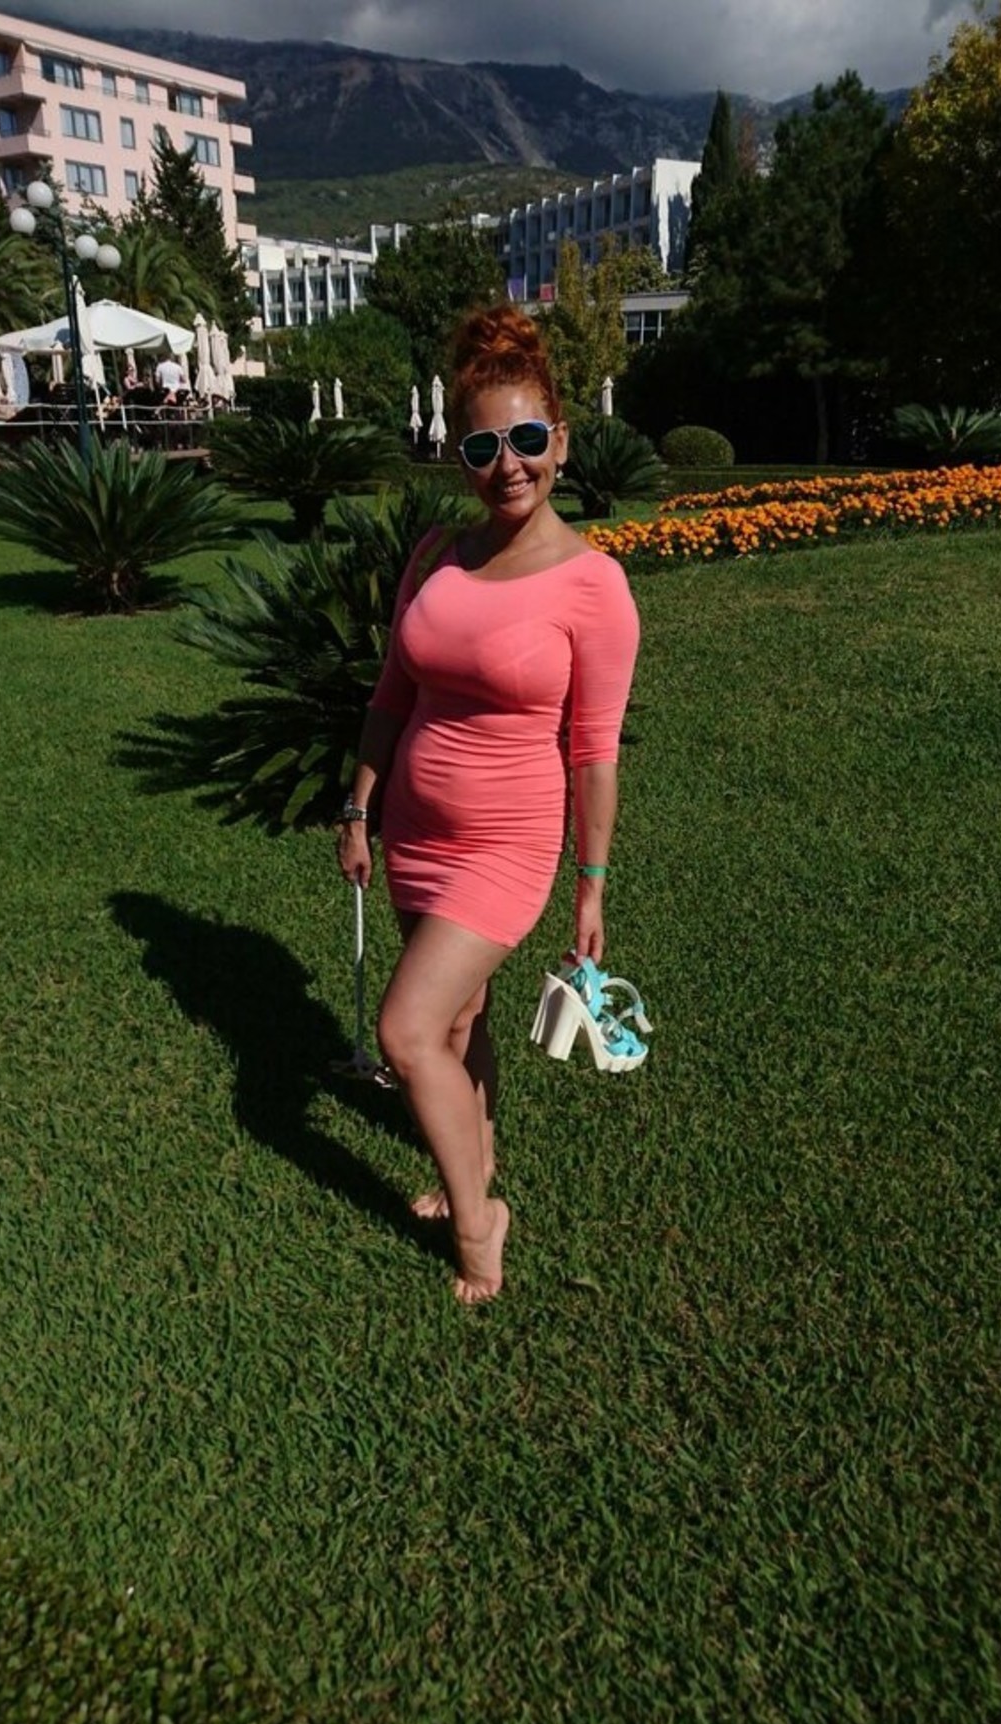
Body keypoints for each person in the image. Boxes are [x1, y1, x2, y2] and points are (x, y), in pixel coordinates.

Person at [336, 304, 640, 1303]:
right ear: (459, 456)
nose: (507, 464)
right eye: (482, 446)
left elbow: (593, 752)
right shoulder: (436, 553)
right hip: (417, 831)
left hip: (508, 845)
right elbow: (393, 693)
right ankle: (478, 1150)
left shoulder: (593, 586)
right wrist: (360, 808)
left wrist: (591, 883)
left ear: (561, 439)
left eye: (526, 439)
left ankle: (479, 1223)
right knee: (460, 1016)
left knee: (406, 1030)